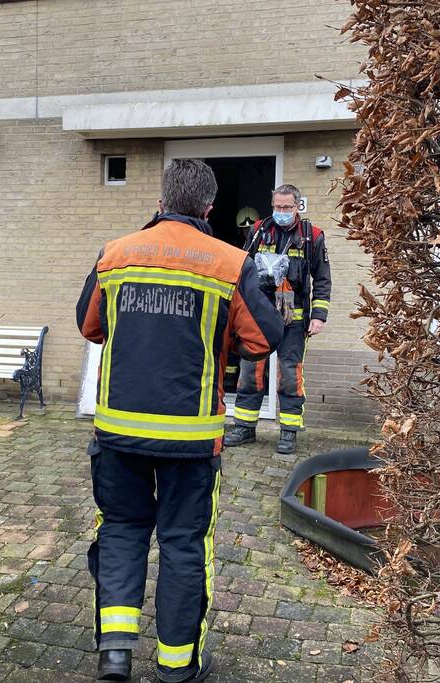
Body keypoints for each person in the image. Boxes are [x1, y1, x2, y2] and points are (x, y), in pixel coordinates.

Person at [76, 159, 283, 682]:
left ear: (161, 201)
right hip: (191, 442)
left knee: (121, 530)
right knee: (183, 544)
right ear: (209, 208)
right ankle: (177, 665)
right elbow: (264, 338)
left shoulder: (115, 254)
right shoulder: (231, 263)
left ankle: (115, 654)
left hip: (118, 431)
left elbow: (90, 327)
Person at [223, 184, 332, 455]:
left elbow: (322, 279)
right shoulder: (258, 230)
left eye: (287, 207)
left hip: (294, 318)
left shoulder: (312, 236)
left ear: (297, 207)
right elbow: (242, 269)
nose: (281, 211)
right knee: (250, 370)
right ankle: (245, 427)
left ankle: (288, 431)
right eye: (277, 206)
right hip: (260, 316)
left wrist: (319, 316)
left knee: (290, 374)